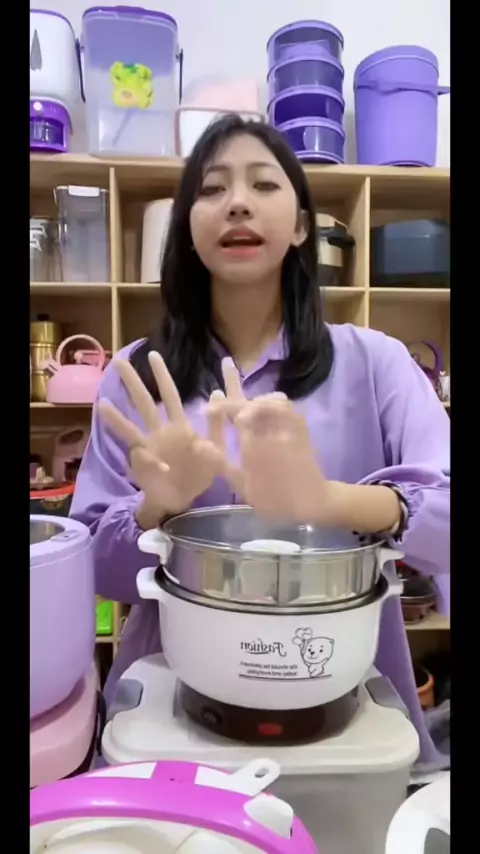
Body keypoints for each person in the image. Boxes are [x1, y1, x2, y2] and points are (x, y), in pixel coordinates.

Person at [71, 115, 450, 766]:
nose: (238, 202)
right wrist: (157, 508)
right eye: (212, 188)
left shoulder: (376, 363)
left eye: (264, 184)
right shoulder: (137, 375)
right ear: (188, 226)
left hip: (349, 711)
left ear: (301, 225)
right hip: (171, 713)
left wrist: (328, 501)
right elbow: (96, 574)